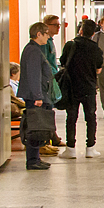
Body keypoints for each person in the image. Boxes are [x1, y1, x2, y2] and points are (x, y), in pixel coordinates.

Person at [59, 19, 103, 158]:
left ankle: (70, 148)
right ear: (93, 33)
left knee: (71, 117)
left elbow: (62, 61)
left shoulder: (70, 45)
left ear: (81, 30)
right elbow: (98, 69)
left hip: (71, 86)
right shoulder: (95, 48)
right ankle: (90, 148)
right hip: (89, 87)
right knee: (90, 117)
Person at [18, 22, 54, 171]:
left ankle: (36, 158)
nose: (48, 36)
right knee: (35, 127)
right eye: (46, 33)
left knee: (38, 126)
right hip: (35, 97)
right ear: (38, 34)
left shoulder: (35, 49)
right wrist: (38, 96)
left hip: (36, 94)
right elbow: (34, 75)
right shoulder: (33, 51)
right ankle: (32, 160)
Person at [40, 14, 65, 154]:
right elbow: (45, 62)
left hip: (52, 77)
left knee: (49, 109)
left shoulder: (50, 40)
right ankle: (47, 140)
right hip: (47, 80)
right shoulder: (44, 43)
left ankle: (52, 137)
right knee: (46, 109)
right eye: (55, 25)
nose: (58, 27)